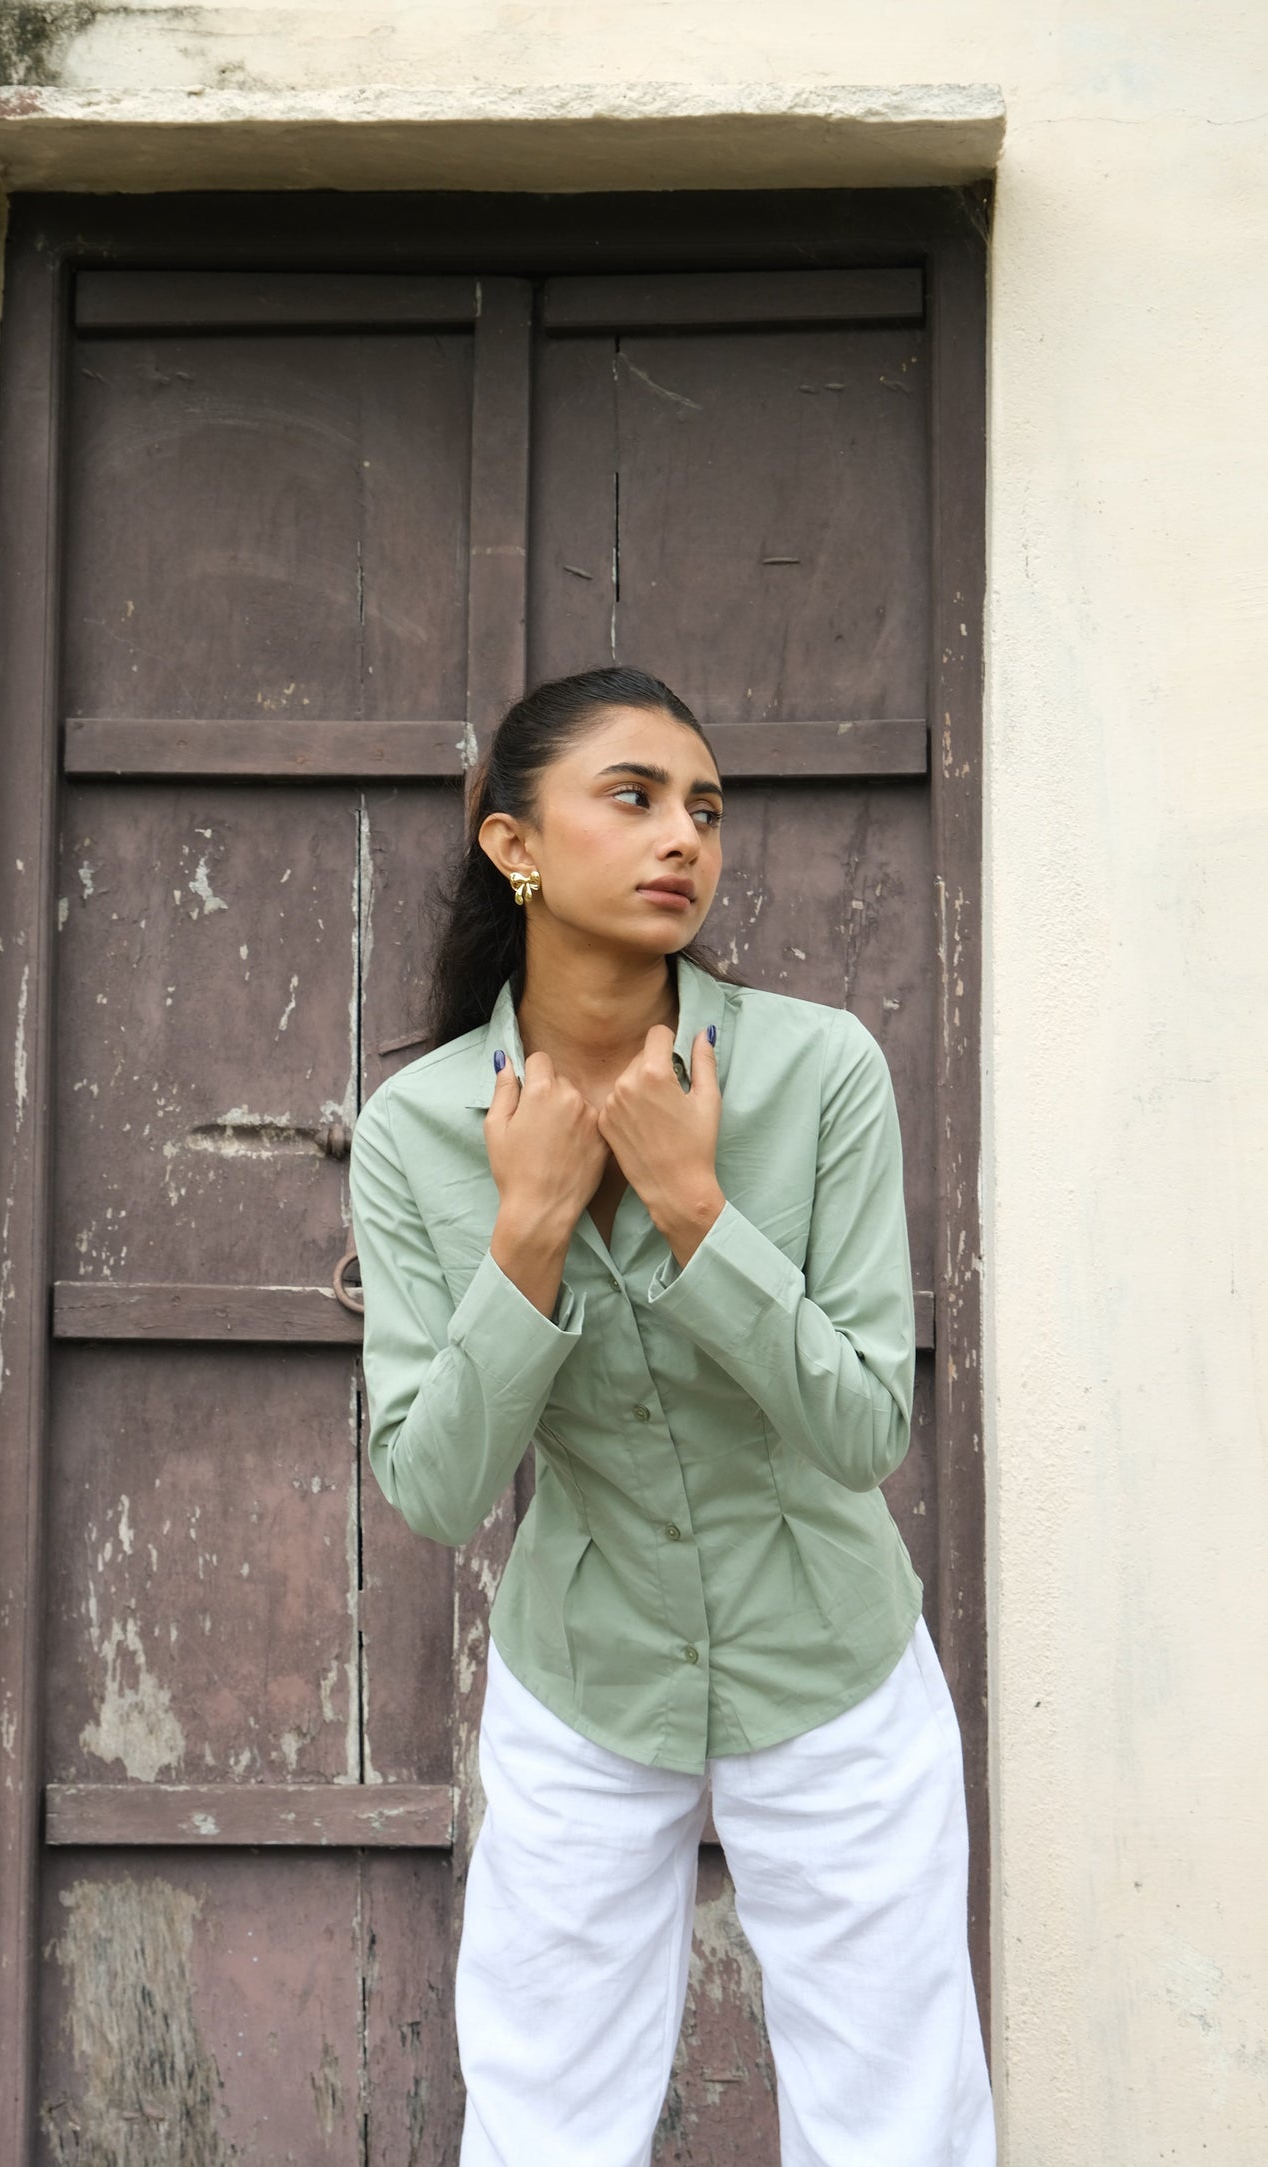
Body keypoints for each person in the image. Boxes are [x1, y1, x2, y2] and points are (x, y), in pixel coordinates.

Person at [347, 665, 997, 2167]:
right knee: (543, 2116)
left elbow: (859, 1435)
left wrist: (696, 1210)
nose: (682, 839)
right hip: (585, 1681)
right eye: (631, 798)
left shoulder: (816, 1067)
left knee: (899, 2114)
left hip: (832, 1668)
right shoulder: (415, 1132)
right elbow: (436, 1491)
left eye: (703, 808)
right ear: (510, 842)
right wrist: (524, 1237)